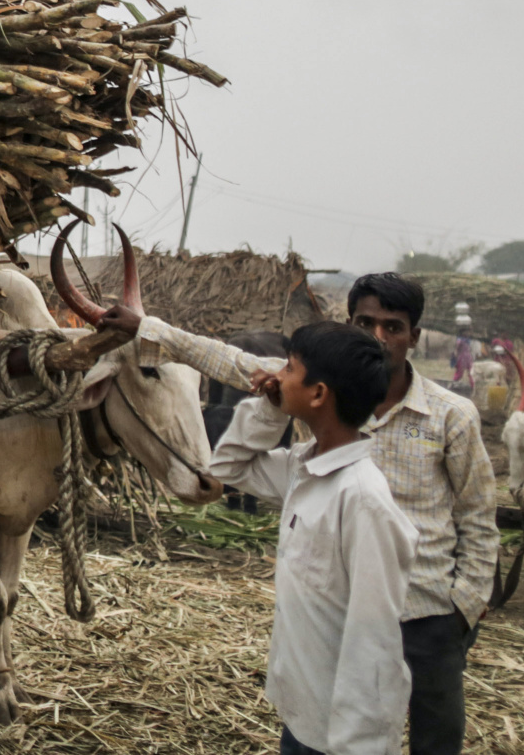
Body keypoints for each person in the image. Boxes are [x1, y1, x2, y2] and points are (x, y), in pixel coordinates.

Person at [102, 271, 499, 755]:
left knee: (433, 738)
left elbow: (478, 518)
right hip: (336, 612)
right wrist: (148, 329)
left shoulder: (449, 415)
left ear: (414, 336)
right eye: (365, 322)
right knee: (328, 722)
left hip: (426, 612)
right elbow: (230, 361)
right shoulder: (325, 387)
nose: (378, 337)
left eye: (392, 327)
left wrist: (463, 609)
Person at [210, 321, 415, 755]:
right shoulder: (303, 466)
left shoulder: (362, 500)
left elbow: (374, 641)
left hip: (339, 736)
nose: (276, 376)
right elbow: (228, 467)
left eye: (289, 368)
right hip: (302, 714)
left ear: (319, 394)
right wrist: (269, 409)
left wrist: (358, 745)